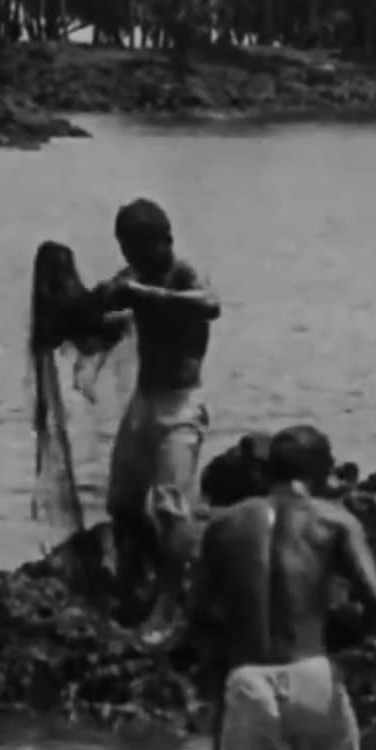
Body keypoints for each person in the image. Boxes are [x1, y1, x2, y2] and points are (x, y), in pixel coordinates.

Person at [186, 424, 376, 750]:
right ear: (321, 474)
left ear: (265, 473)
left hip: (249, 683)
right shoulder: (335, 519)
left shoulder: (223, 525)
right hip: (313, 678)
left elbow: (202, 620)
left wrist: (217, 717)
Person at [97, 198, 220, 602]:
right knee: (122, 503)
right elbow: (106, 310)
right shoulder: (132, 276)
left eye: (142, 248)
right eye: (127, 250)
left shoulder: (182, 272)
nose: (134, 258)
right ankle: (157, 571)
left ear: (165, 240)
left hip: (181, 403)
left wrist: (145, 295)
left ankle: (179, 595)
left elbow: (210, 305)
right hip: (144, 400)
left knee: (171, 508)